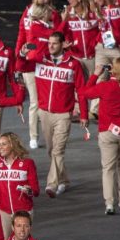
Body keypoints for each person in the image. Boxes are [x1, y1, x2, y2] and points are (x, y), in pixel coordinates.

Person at [21, 31, 87, 198]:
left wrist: (84, 114)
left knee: (58, 150)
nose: (50, 46)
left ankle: (52, 184)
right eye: (49, 43)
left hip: (63, 115)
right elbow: (20, 67)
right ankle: (64, 180)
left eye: (54, 43)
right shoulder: (40, 60)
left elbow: (81, 90)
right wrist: (22, 54)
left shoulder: (74, 65)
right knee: (52, 151)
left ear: (64, 45)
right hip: (44, 113)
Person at [77, 58, 120, 215]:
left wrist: (95, 74)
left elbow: (84, 93)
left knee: (108, 169)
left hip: (108, 132)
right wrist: (116, 72)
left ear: (112, 71)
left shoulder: (104, 87)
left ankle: (109, 203)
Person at [16, 0, 61, 149]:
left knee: (49, 99)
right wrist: (19, 55)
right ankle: (33, 136)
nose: (45, 0)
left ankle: (53, 132)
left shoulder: (54, 14)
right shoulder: (28, 12)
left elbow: (58, 37)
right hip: (30, 63)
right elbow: (22, 34)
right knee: (35, 101)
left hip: (48, 63)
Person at [0, 133, 39, 237]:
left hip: (23, 211)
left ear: (12, 145)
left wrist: (29, 190)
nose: (0, 147)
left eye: (3, 144)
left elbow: (36, 190)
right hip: (4, 211)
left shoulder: (27, 163)